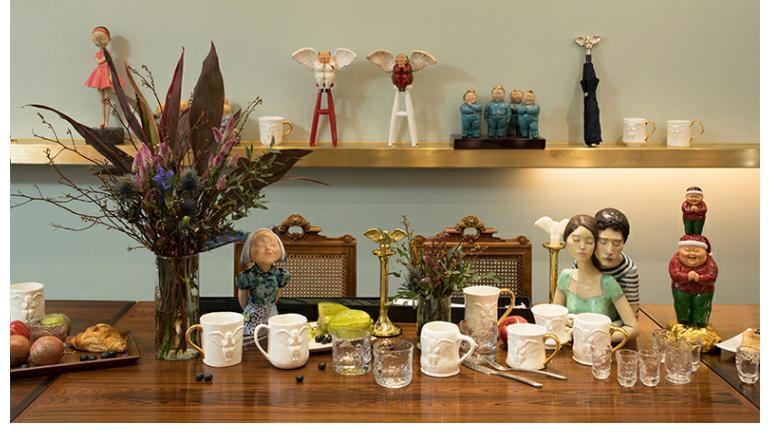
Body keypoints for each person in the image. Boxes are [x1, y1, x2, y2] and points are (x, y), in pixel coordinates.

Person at [553, 214, 638, 340]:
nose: (582, 246)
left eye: (589, 241)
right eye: (576, 240)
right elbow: (555, 318)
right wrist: (567, 327)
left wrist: (597, 336)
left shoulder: (608, 282)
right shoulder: (566, 276)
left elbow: (633, 327)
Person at [236, 229, 291, 337]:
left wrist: (269, 306)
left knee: (273, 335)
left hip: (271, 311)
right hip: (253, 311)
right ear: (249, 250)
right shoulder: (247, 276)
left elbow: (278, 294)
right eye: (261, 245)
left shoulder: (280, 275)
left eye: (272, 245)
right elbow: (242, 298)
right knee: (251, 336)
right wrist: (250, 309)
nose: (268, 248)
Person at [592, 208, 640, 315]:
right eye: (603, 242)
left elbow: (632, 316)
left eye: (617, 243)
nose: (609, 250)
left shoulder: (628, 271)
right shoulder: (583, 262)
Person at [669, 234, 717, 327]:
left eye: (696, 251)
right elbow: (674, 274)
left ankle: (700, 323)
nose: (692, 253)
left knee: (702, 307)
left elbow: (712, 277)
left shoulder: (710, 263)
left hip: (703, 291)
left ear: (705, 252)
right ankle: (683, 322)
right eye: (687, 250)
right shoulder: (675, 260)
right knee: (682, 306)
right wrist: (686, 276)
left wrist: (699, 278)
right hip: (681, 289)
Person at [84, 26, 123, 128]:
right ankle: (103, 120)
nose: (100, 41)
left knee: (107, 99)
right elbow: (98, 61)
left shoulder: (109, 53)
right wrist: (106, 58)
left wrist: (110, 76)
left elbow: (109, 64)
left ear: (108, 39)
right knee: (102, 100)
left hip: (107, 74)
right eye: (97, 39)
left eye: (102, 38)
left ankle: (106, 122)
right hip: (99, 76)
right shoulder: (98, 54)